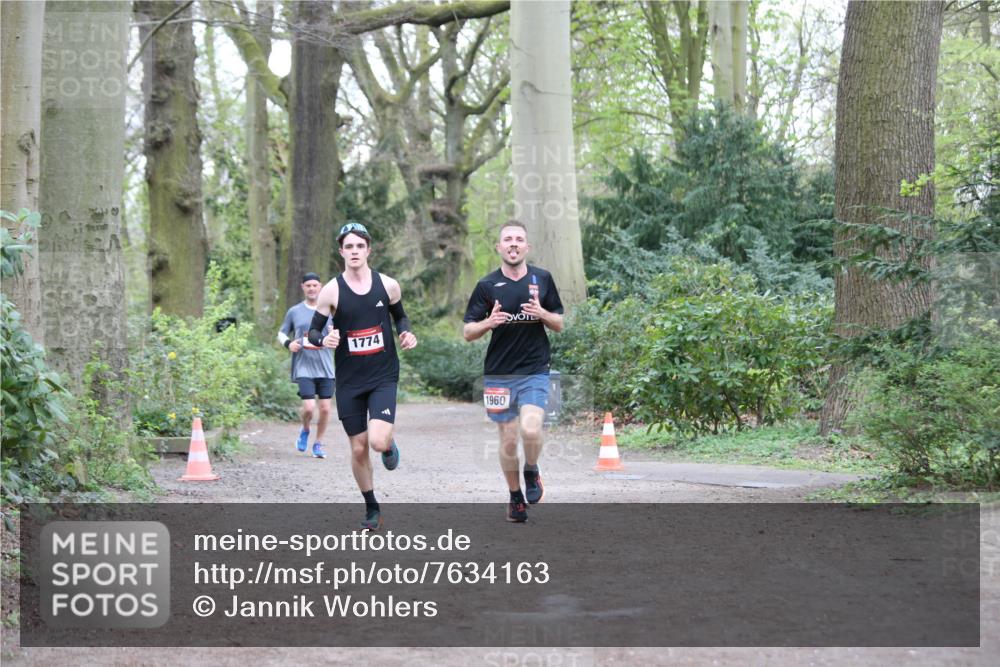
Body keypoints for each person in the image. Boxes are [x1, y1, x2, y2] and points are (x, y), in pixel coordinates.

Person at [307, 222, 417, 531]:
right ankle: (372, 507)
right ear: (341, 252)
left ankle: (389, 444)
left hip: (383, 374)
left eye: (360, 246)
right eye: (349, 247)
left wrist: (406, 333)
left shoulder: (388, 285)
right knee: (358, 447)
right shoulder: (331, 290)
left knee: (378, 441)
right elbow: (314, 330)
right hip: (349, 380)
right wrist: (322, 340)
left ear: (368, 250)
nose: (354, 252)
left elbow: (401, 318)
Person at [463, 220, 564, 523]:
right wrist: (487, 324)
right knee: (507, 440)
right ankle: (515, 496)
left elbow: (559, 323)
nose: (513, 244)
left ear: (527, 247)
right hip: (499, 373)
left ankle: (531, 469)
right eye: (508, 239)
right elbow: (468, 331)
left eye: (519, 239)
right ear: (499, 247)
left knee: (531, 429)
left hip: (535, 368)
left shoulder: (542, 279)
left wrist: (542, 313)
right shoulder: (487, 286)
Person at [277, 272, 335, 459]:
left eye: (315, 285)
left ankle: (318, 443)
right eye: (308, 285)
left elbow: (340, 333)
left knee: (325, 408)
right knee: (309, 407)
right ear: (303, 287)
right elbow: (282, 333)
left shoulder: (330, 310)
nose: (311, 288)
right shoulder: (294, 311)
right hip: (304, 366)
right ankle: (305, 429)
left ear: (320, 287)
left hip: (326, 366)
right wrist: (289, 344)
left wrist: (335, 336)